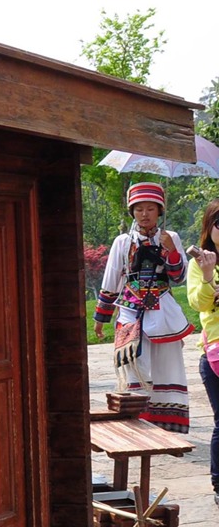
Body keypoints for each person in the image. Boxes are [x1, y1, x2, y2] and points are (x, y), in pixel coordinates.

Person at [93, 181, 193, 433]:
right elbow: (112, 279)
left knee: (167, 365)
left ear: (159, 211)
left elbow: (179, 277)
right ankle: (139, 424)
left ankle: (169, 425)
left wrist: (171, 251)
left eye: (150, 209)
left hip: (163, 312)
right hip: (130, 312)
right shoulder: (123, 242)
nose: (144, 214)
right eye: (139, 209)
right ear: (132, 212)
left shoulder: (172, 238)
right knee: (135, 366)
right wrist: (101, 317)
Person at [186, 198, 219, 504]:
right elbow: (198, 303)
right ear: (209, 229)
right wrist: (209, 276)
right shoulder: (199, 264)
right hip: (215, 356)